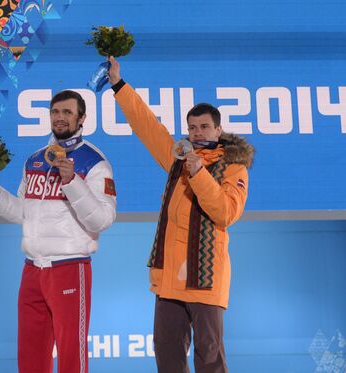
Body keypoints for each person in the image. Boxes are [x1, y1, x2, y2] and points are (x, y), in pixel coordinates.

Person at [108, 56, 254, 373]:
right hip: (170, 280)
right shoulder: (178, 157)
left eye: (204, 126)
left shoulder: (233, 166)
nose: (197, 132)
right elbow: (147, 126)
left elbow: (225, 212)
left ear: (219, 129)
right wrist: (119, 84)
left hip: (206, 279)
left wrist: (200, 173)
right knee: (167, 356)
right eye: (191, 127)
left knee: (209, 358)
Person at [0, 90, 117, 373]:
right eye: (55, 112)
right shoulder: (35, 160)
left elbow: (102, 219)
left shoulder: (95, 162)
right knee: (30, 355)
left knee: (70, 356)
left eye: (67, 112)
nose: (60, 117)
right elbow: (22, 212)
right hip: (32, 270)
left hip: (69, 266)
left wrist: (71, 181)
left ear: (82, 118)